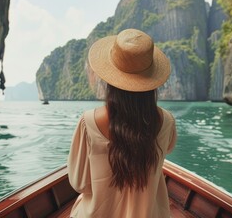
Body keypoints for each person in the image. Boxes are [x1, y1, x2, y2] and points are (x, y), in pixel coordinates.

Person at [67, 28, 177, 218]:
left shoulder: (89, 122)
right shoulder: (166, 121)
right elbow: (167, 149)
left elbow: (80, 183)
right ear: (151, 81)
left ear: (111, 79)